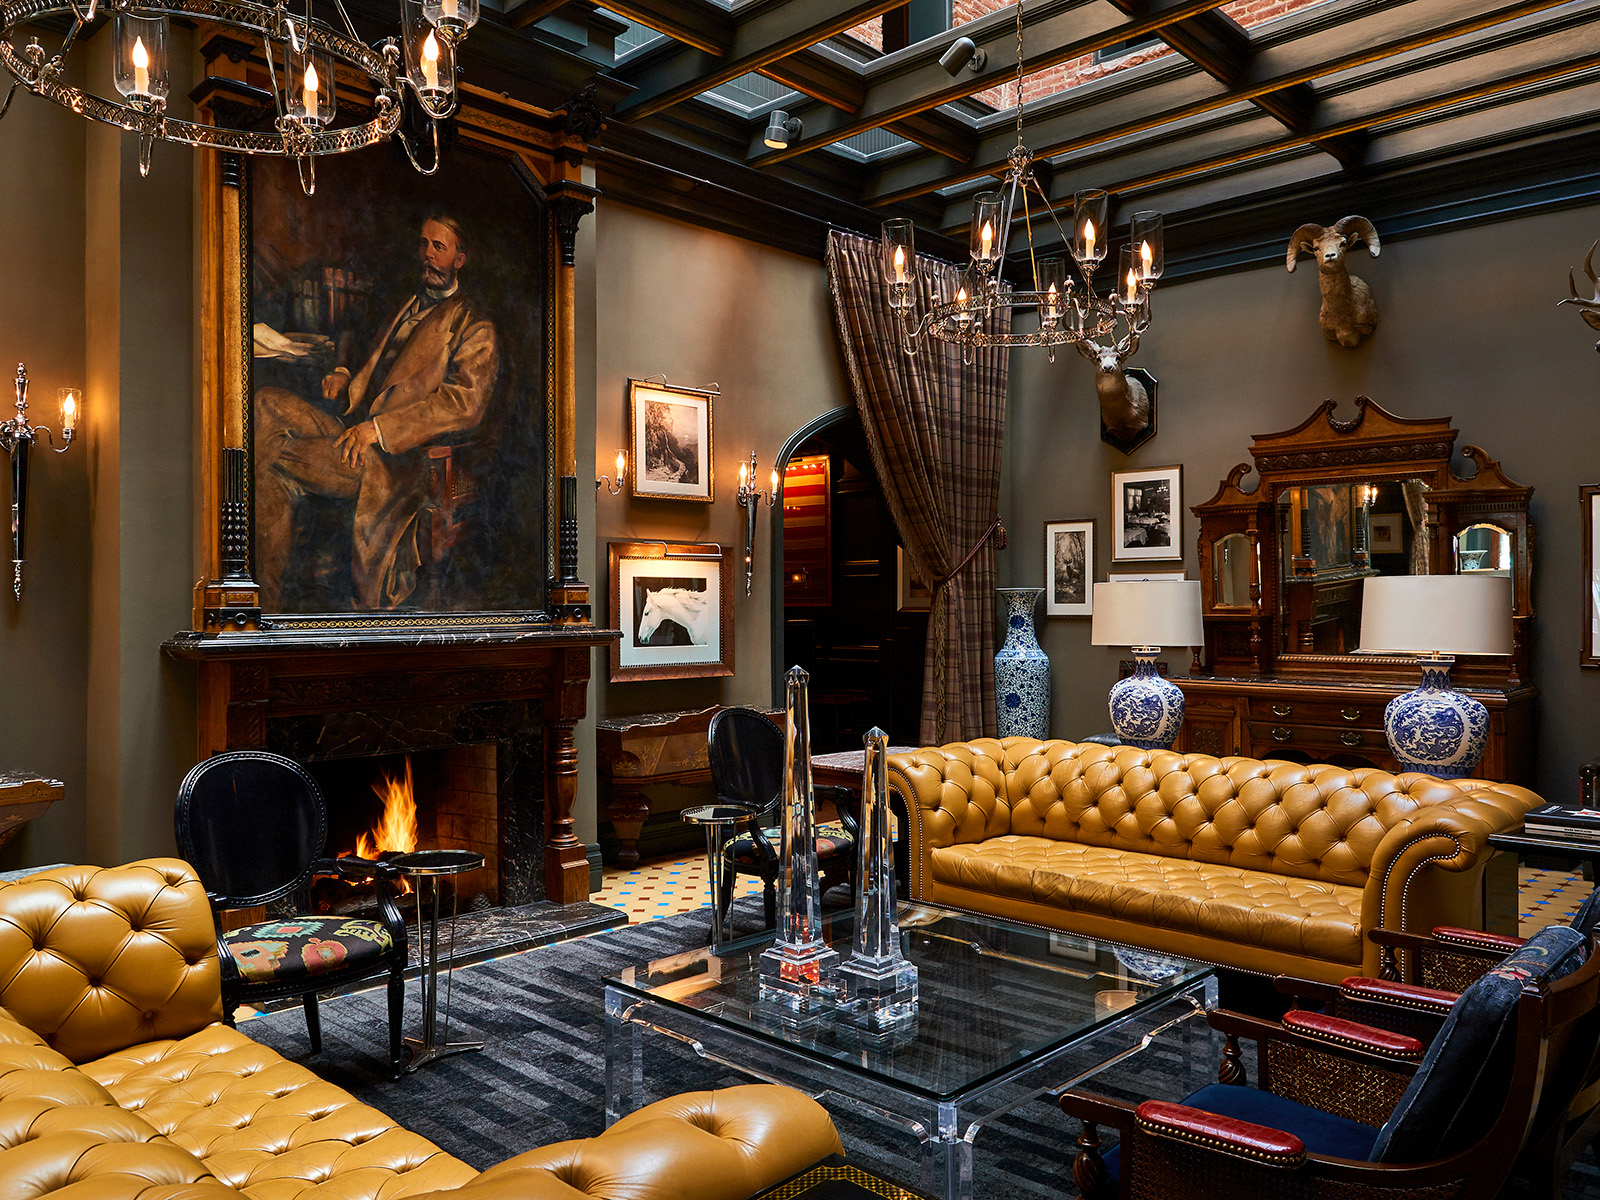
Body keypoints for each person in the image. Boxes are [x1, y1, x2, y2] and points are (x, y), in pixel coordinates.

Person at [254, 214, 500, 610]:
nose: (427, 254)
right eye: (423, 244)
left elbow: (464, 404)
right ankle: (270, 593)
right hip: (351, 422)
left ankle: (265, 606)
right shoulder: (402, 300)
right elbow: (360, 337)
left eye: (439, 247)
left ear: (460, 259)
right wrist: (342, 369)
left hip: (395, 458)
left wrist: (380, 430)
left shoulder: (474, 326)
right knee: (266, 400)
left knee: (270, 463)